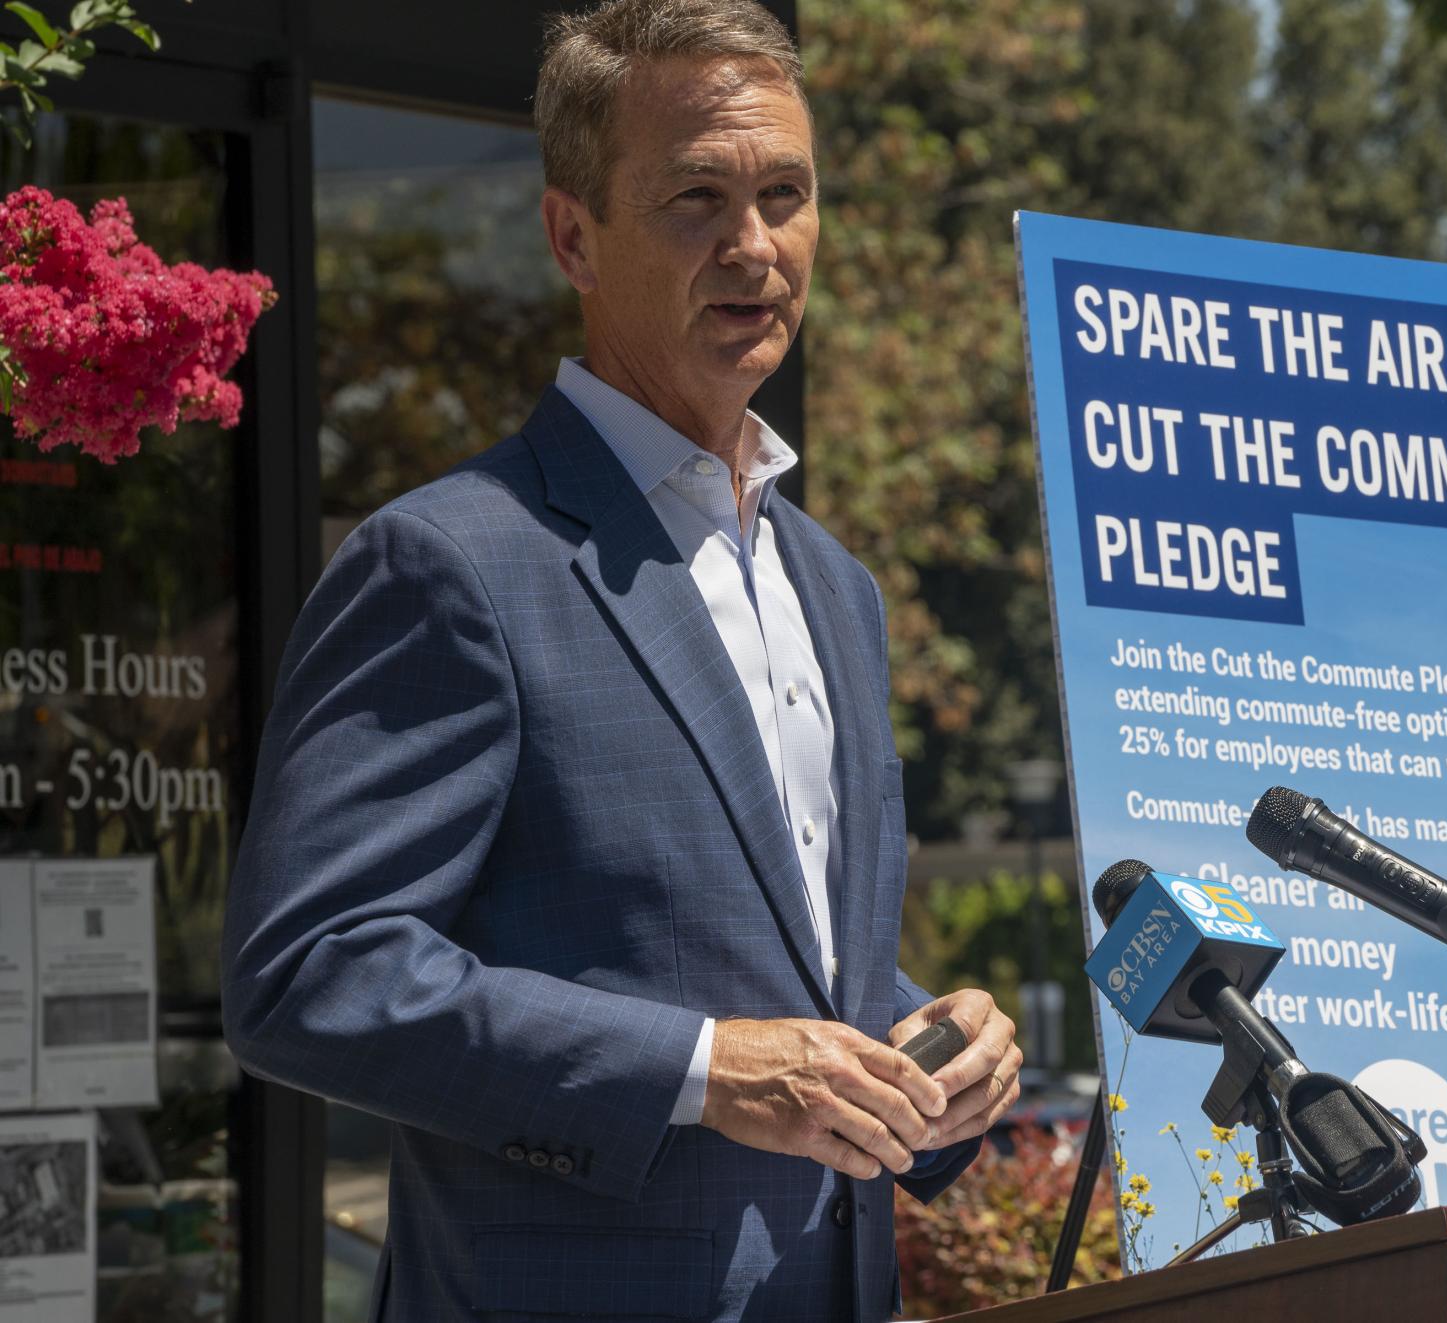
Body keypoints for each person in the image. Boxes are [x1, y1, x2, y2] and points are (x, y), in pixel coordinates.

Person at [220, 3, 1022, 1319]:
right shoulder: (450, 562)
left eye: (784, 194)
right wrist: (703, 1070)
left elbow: (778, 974)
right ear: (572, 238)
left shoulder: (839, 590)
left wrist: (931, 1052)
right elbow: (310, 974)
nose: (753, 245)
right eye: (697, 198)